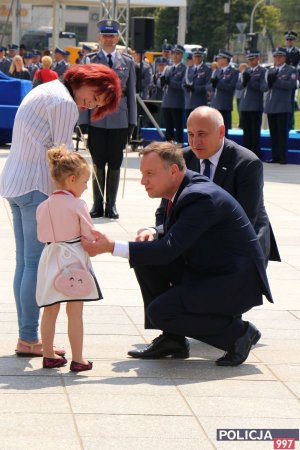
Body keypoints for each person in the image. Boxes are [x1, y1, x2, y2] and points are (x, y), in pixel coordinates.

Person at [82, 141, 273, 366]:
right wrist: (152, 232)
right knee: (145, 259)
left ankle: (238, 334)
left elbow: (168, 250)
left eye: (149, 174)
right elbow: (176, 237)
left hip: (234, 284)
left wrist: (111, 246)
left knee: (161, 311)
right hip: (212, 269)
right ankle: (173, 340)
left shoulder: (200, 197)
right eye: (142, 174)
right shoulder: (185, 187)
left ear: (173, 171)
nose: (143, 181)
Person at [0, 64, 121, 358]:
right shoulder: (65, 102)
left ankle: (27, 336)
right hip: (37, 187)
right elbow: (63, 158)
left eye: (96, 105)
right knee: (34, 264)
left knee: (24, 263)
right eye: (95, 97)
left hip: (15, 183)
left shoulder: (47, 88)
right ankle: (29, 338)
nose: (89, 105)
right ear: (87, 80)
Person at [156, 106, 280, 264]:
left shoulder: (246, 163)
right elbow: (164, 210)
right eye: (190, 134)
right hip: (192, 239)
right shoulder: (182, 159)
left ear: (221, 131)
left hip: (240, 245)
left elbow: (244, 220)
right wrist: (157, 233)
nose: (195, 142)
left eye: (202, 134)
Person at [36, 147, 102, 371]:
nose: (85, 187)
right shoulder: (78, 205)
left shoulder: (42, 206)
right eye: (84, 182)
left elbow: (41, 235)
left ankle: (48, 354)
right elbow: (89, 235)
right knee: (75, 310)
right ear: (72, 179)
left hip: (49, 256)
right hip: (73, 257)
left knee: (50, 307)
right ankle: (78, 358)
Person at [81, 19, 137, 220]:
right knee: (97, 162)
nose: (108, 39)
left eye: (112, 35)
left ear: (117, 38)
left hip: (119, 119)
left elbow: (131, 93)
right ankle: (97, 205)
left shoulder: (128, 62)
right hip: (96, 118)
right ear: (99, 38)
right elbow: (83, 91)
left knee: (114, 163)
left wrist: (132, 121)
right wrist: (83, 120)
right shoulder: (90, 60)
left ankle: (110, 205)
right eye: (105, 35)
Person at [264, 47, 297, 164]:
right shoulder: (271, 70)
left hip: (282, 106)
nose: (277, 59)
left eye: (280, 56)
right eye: (276, 56)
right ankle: (275, 156)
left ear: (284, 58)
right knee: (273, 133)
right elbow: (265, 88)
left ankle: (282, 157)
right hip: (271, 105)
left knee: (282, 133)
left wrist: (276, 80)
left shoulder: (290, 70)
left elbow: (290, 85)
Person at [237, 50, 267, 156]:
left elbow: (264, 87)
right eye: (249, 59)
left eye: (252, 59)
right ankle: (246, 153)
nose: (250, 61)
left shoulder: (262, 71)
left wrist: (251, 81)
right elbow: (239, 86)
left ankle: (255, 153)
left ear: (258, 58)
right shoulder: (247, 71)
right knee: (247, 131)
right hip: (245, 105)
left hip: (255, 105)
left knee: (254, 132)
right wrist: (244, 81)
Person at [161, 44, 186, 144]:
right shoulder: (168, 68)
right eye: (173, 53)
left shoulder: (184, 68)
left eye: (178, 54)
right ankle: (168, 145)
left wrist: (170, 82)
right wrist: (160, 81)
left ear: (181, 55)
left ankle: (179, 145)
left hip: (177, 102)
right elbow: (161, 83)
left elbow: (182, 85)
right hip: (167, 101)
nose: (175, 56)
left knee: (178, 126)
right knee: (168, 126)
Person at [210, 50, 238, 135]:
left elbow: (231, 87)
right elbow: (209, 84)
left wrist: (219, 83)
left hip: (224, 105)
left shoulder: (233, 72)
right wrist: (212, 86)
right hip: (215, 104)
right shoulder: (217, 71)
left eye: (220, 58)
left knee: (223, 130)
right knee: (214, 128)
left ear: (226, 59)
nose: (218, 60)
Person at [183, 47, 211, 122]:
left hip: (200, 102)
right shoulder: (189, 69)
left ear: (202, 57)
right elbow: (183, 83)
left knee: (199, 125)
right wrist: (186, 87)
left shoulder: (206, 70)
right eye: (196, 56)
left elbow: (208, 86)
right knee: (188, 126)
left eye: (199, 56)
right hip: (188, 102)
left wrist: (195, 89)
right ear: (192, 57)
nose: (197, 58)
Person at [284, 31, 300, 130]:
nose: (289, 41)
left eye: (291, 39)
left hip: (292, 78)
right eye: (287, 39)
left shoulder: (297, 52)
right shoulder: (281, 51)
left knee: (290, 101)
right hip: (282, 78)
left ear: (294, 40)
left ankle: (290, 124)